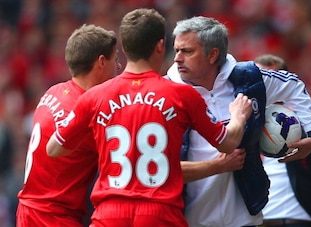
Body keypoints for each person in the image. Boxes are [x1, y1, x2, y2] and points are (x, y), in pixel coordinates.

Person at [46, 8, 253, 227]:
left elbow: (55, 149)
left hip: (109, 215)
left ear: (123, 48)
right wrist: (238, 115)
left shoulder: (94, 97)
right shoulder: (182, 95)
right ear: (161, 46)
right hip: (160, 214)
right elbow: (228, 144)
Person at [166, 16, 311, 227]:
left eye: (187, 51)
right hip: (188, 219)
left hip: (243, 218)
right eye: (177, 50)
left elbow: (294, 86)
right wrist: (217, 166)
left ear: (213, 54)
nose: (177, 58)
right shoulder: (166, 93)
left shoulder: (249, 79)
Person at [16, 24, 121, 227]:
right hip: (53, 218)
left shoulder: (52, 92)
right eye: (115, 59)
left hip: (27, 211)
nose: (118, 66)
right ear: (101, 62)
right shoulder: (90, 113)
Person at [255, 54, 311, 227]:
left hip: (303, 221)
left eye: (271, 79)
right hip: (257, 222)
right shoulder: (244, 126)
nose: (265, 85)